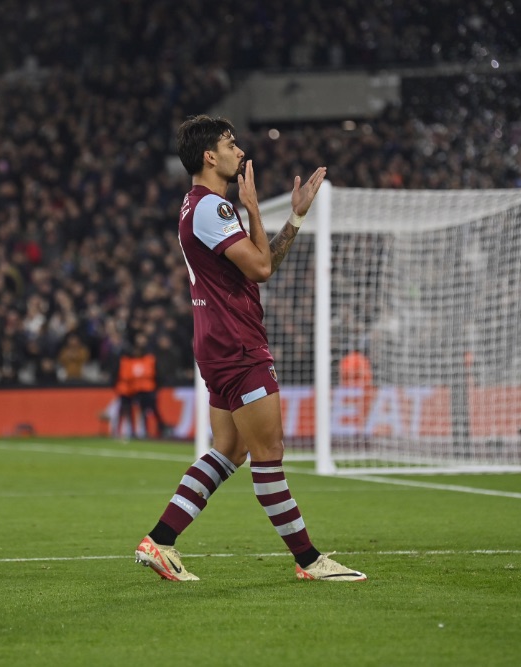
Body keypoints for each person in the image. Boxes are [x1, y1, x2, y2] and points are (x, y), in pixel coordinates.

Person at [134, 115, 366, 582]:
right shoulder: (212, 208)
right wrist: (254, 208)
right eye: (230, 143)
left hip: (218, 342)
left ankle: (160, 540)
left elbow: (262, 264)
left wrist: (296, 217)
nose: (239, 151)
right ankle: (308, 560)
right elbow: (261, 269)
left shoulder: (197, 207)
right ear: (209, 156)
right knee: (269, 452)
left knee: (229, 450)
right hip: (237, 344)